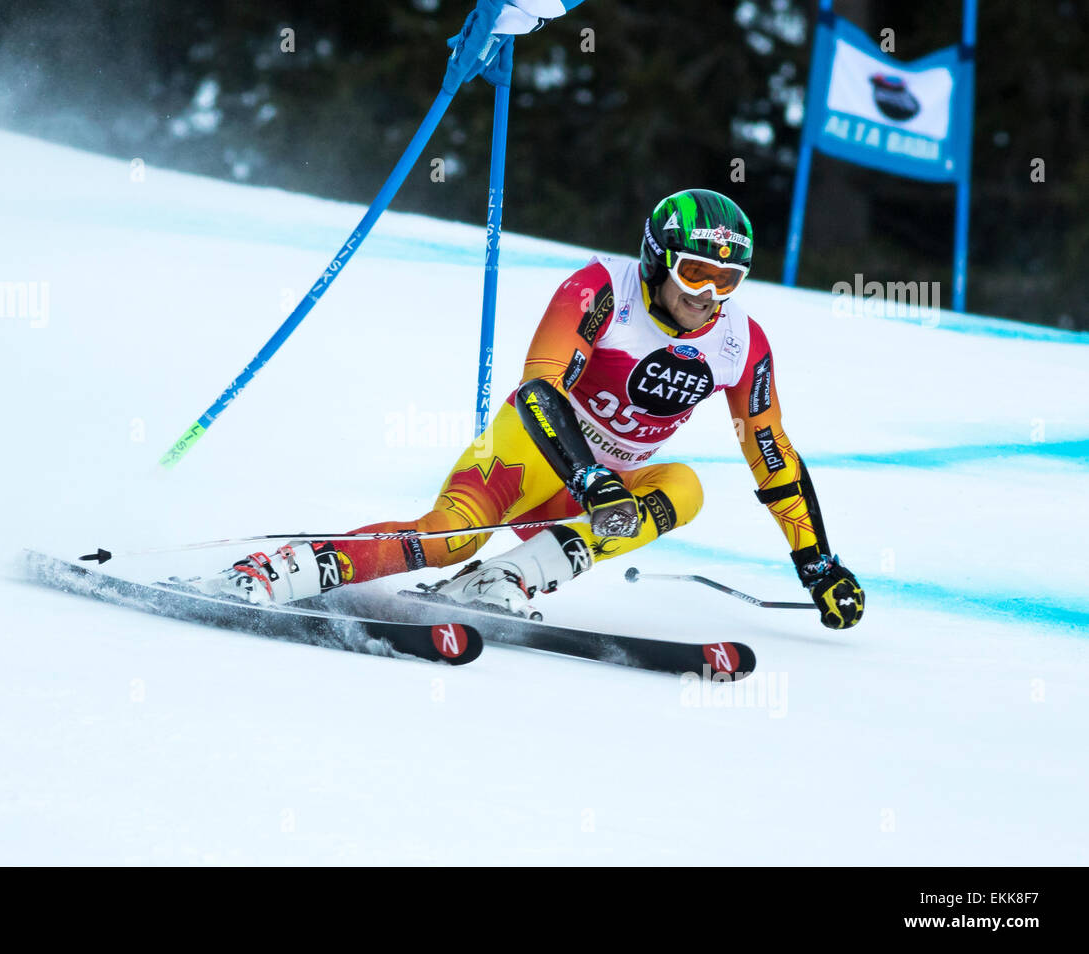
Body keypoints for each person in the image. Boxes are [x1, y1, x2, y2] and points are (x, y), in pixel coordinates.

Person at [195, 188, 865, 630]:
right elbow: (539, 391)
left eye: (728, 280)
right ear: (658, 261)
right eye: (696, 273)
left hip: (593, 496)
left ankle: (502, 582)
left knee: (683, 488)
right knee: (451, 537)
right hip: (529, 456)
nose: (708, 295)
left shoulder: (739, 341)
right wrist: (588, 476)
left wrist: (818, 563)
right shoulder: (601, 290)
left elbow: (771, 454)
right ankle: (282, 567)